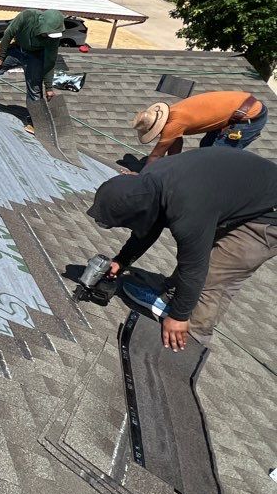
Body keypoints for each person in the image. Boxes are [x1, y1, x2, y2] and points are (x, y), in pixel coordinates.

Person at [86, 148, 277, 351]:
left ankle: (190, 344)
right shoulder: (149, 181)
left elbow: (195, 269)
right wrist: (121, 260)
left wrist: (178, 317)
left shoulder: (187, 209)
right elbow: (150, 225)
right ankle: (171, 299)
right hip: (240, 192)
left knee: (212, 278)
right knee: (197, 252)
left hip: (268, 217)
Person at [132, 91, 268, 163]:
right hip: (238, 107)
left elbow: (156, 155)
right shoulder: (172, 112)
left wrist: (142, 180)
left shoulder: (173, 125)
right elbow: (176, 143)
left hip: (249, 116)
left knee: (214, 157)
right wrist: (173, 166)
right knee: (206, 146)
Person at [0, 9, 65, 119]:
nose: (49, 36)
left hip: (35, 56)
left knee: (35, 87)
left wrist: (49, 88)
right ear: (42, 24)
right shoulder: (27, 16)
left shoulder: (54, 39)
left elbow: (50, 62)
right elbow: (8, 34)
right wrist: (0, 57)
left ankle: (36, 119)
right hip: (17, 50)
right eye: (48, 33)